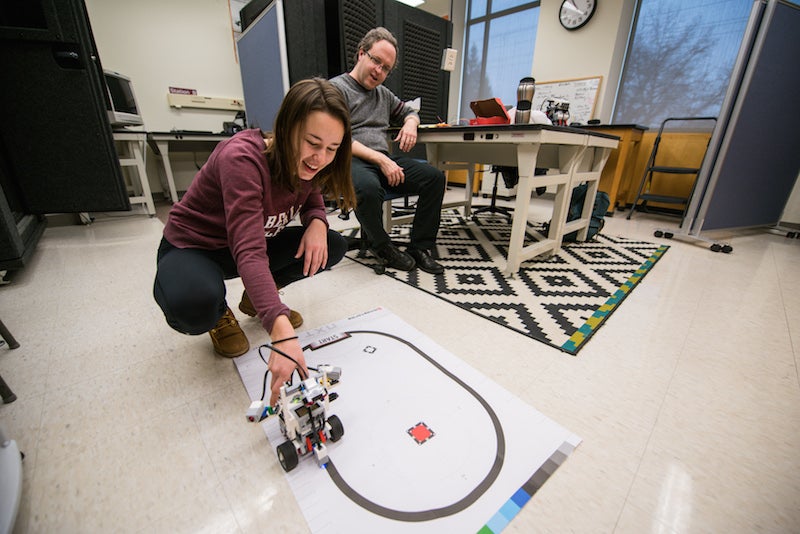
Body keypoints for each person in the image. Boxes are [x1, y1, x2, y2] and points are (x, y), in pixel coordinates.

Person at [153, 78, 356, 405]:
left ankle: (258, 296)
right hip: (194, 247)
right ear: (286, 127)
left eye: (332, 149)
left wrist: (317, 220)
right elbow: (248, 250)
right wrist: (279, 328)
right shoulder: (242, 159)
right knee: (193, 303)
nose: (319, 158)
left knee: (332, 245)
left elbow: (311, 194)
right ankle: (219, 312)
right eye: (312, 143)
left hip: (251, 243)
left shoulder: (308, 162)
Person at [330, 27, 446, 274]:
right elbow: (337, 137)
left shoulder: (383, 94)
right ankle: (381, 246)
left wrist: (411, 123)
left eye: (386, 69)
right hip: (351, 160)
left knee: (434, 178)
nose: (379, 71)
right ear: (361, 53)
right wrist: (381, 160)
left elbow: (409, 111)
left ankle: (420, 247)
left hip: (382, 159)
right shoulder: (336, 89)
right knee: (368, 189)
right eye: (376, 61)